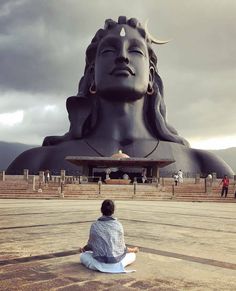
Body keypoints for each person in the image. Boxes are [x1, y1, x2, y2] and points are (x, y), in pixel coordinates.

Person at [6, 16, 234, 178]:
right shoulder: (37, 161)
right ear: (91, 75)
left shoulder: (204, 164)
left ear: (151, 77)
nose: (122, 57)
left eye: (135, 50)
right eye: (109, 51)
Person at [79, 199, 139, 273]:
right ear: (113, 210)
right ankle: (116, 267)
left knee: (83, 256)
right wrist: (134, 250)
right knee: (132, 255)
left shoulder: (95, 225)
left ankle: (102, 267)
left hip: (98, 262)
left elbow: (91, 245)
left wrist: (84, 249)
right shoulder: (118, 225)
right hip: (116, 261)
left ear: (101, 210)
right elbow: (122, 248)